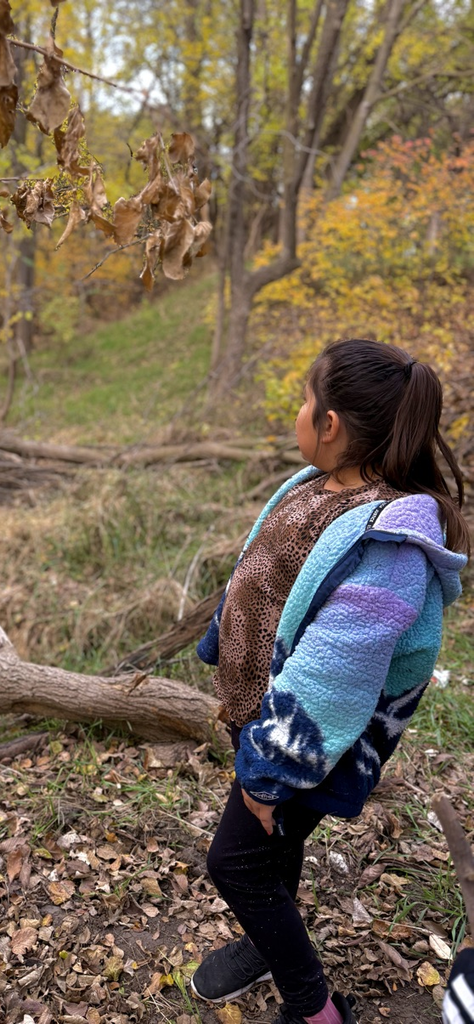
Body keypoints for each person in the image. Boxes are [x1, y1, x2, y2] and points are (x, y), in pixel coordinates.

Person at [191, 339, 469, 1024]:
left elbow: (332, 675)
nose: (297, 412)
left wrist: (268, 773)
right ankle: (266, 941)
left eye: (303, 400)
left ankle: (314, 1008)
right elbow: (262, 576)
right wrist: (222, 641)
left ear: (332, 422)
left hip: (309, 745)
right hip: (265, 721)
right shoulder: (314, 487)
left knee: (234, 863)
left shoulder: (389, 543)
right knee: (273, 849)